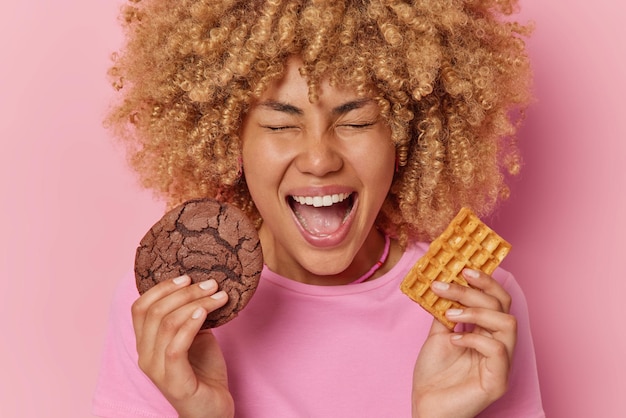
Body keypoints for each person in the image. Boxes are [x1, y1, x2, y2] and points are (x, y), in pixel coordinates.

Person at [93, 0, 544, 416]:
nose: (319, 159)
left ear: (408, 137)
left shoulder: (476, 310)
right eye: (280, 124)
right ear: (230, 140)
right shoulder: (167, 313)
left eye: (356, 121)